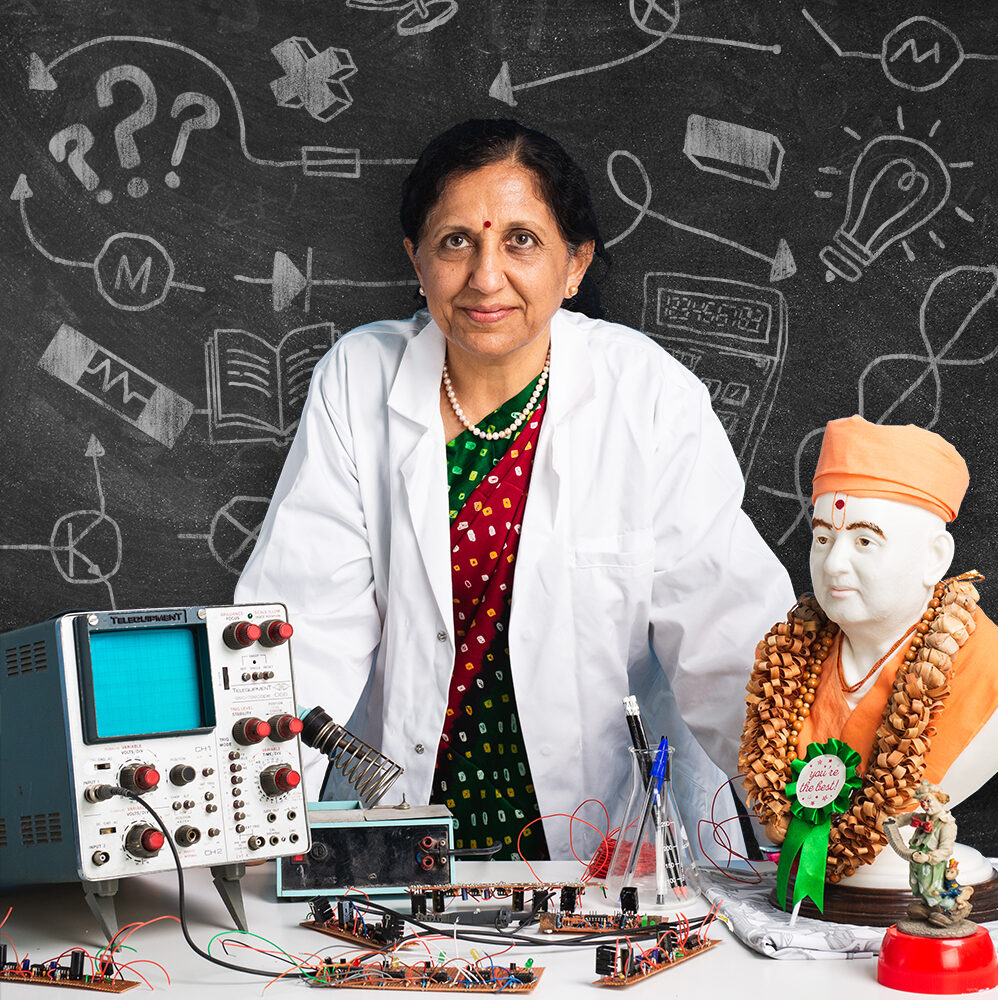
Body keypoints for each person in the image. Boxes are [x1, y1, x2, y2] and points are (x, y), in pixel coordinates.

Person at [236, 118, 794, 860]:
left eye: (521, 241)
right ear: (417, 258)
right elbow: (302, 635)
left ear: (575, 263)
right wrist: (243, 822)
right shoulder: (359, 379)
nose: (486, 276)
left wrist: (812, 809)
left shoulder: (647, 394)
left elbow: (727, 636)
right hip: (402, 835)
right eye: (455, 241)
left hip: (608, 849)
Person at [741, 415, 998, 883]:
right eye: (823, 538)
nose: (834, 564)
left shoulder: (988, 669)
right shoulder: (792, 662)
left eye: (864, 541)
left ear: (934, 558)